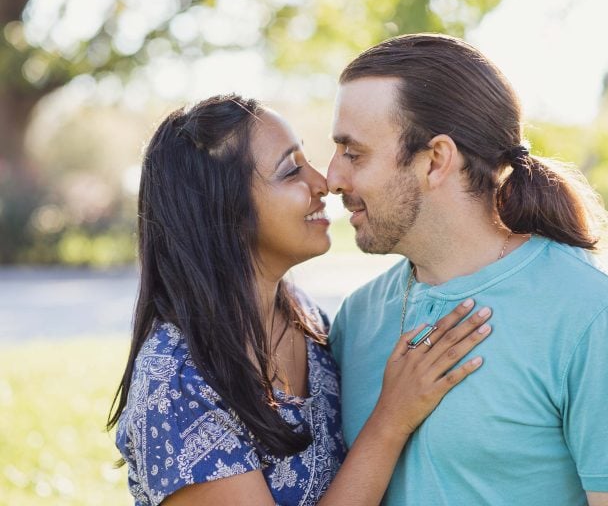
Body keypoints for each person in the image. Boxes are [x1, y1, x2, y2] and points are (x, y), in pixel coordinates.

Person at [326, 33, 608, 505]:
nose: (332, 178)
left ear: (435, 161)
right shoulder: (358, 317)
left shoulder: (596, 319)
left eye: (354, 154)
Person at [107, 94, 495, 506]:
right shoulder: (178, 383)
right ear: (225, 213)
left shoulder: (304, 319)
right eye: (292, 171)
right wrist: (390, 421)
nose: (323, 183)